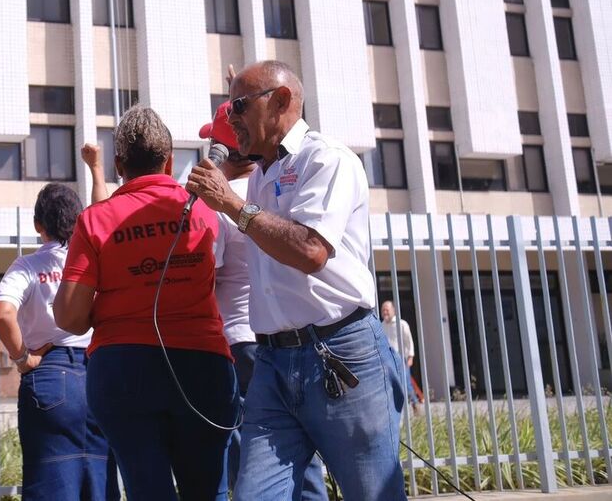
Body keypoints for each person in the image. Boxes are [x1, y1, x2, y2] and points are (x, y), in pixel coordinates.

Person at [187, 61, 406, 500]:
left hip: (339, 351)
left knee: (371, 492)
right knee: (254, 494)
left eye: (239, 108)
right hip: (272, 361)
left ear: (282, 101)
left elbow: (310, 250)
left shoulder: (326, 159)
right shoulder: (262, 174)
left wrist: (231, 205)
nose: (231, 122)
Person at [56, 106, 238, 501]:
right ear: (170, 161)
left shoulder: (95, 220)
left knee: (146, 490)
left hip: (122, 367)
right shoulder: (208, 210)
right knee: (209, 491)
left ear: (119, 163)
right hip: (202, 362)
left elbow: (69, 316)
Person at [0, 183, 119, 501]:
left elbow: (3, 312)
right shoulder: (96, 263)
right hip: (101, 375)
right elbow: (104, 216)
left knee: (50, 481)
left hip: (49, 375)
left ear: (38, 225)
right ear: (78, 221)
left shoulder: (28, 266)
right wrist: (96, 168)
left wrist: (23, 359)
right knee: (102, 480)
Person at [381, 300, 420, 412]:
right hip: (387, 360)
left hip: (401, 358)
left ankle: (415, 406)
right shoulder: (381, 325)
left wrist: (410, 357)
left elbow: (409, 341)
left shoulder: (402, 324)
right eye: (383, 310)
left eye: (387, 310)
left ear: (393, 310)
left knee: (406, 383)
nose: (385, 312)